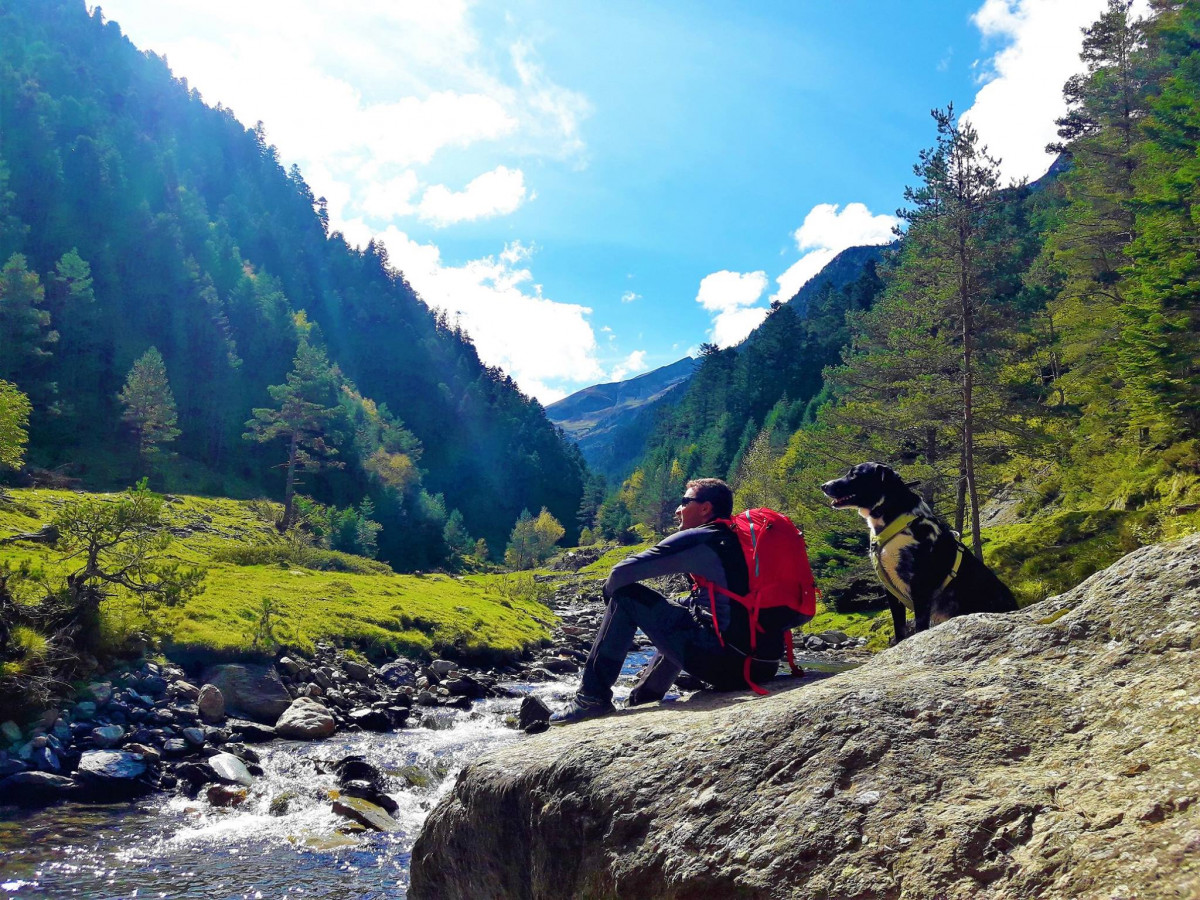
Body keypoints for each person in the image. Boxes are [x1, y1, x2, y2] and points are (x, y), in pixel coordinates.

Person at [551, 477, 807, 725]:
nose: (678, 510)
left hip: (728, 668)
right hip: (764, 666)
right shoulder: (737, 541)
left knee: (625, 595)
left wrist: (613, 602)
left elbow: (619, 575)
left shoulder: (699, 538)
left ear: (705, 508)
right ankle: (645, 697)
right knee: (685, 607)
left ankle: (590, 698)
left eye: (685, 501)